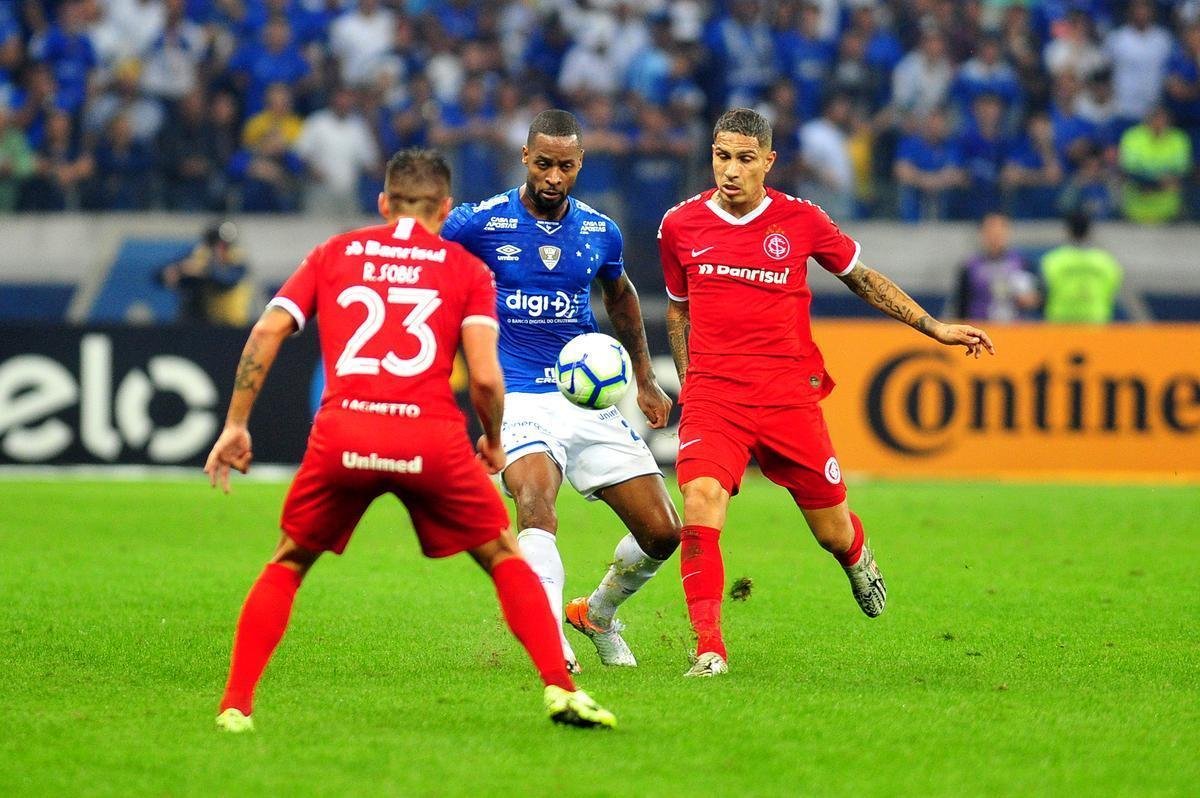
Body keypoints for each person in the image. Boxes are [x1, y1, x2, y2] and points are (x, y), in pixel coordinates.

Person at [204, 148, 616, 733]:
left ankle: (236, 707)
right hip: (429, 438)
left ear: (382, 202)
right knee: (502, 555)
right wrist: (494, 440)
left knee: (290, 561)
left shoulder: (334, 253)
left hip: (344, 432)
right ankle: (562, 689)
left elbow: (268, 328)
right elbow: (484, 376)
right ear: (445, 207)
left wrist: (237, 423)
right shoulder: (463, 268)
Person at [658, 108, 995, 677]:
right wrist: (692, 385)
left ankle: (855, 554)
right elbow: (678, 309)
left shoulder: (801, 219)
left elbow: (862, 278)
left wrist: (935, 328)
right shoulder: (679, 224)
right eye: (722, 155)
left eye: (745, 158)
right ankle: (709, 647)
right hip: (717, 397)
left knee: (831, 529)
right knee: (700, 501)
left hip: (788, 396)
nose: (731, 169)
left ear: (768, 161)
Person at [440, 109, 681, 674]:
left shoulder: (600, 230)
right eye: (543, 163)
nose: (553, 176)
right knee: (536, 508)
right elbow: (431, 265)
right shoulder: (480, 223)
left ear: (579, 165)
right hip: (518, 399)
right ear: (525, 158)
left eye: (565, 166)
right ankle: (551, 643)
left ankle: (596, 614)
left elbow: (619, 298)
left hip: (585, 398)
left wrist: (644, 380)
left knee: (663, 533)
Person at [949, 212, 1040, 322]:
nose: (995, 235)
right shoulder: (969, 267)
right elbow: (960, 306)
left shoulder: (1023, 263)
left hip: (1015, 330)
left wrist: (1030, 300)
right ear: (982, 233)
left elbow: (1037, 299)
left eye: (1001, 229)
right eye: (991, 230)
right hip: (980, 328)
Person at [159, 222, 254, 326]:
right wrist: (177, 270)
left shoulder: (236, 258)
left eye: (223, 245)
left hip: (232, 320)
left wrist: (204, 271)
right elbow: (162, 274)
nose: (219, 249)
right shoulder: (200, 254)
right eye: (214, 244)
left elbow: (226, 283)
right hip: (205, 319)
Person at [1040, 212, 1123, 323]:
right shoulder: (1105, 261)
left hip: (1061, 321)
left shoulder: (1053, 260)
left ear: (1068, 231)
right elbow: (1112, 290)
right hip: (1095, 321)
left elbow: (1045, 290)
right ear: (1090, 232)